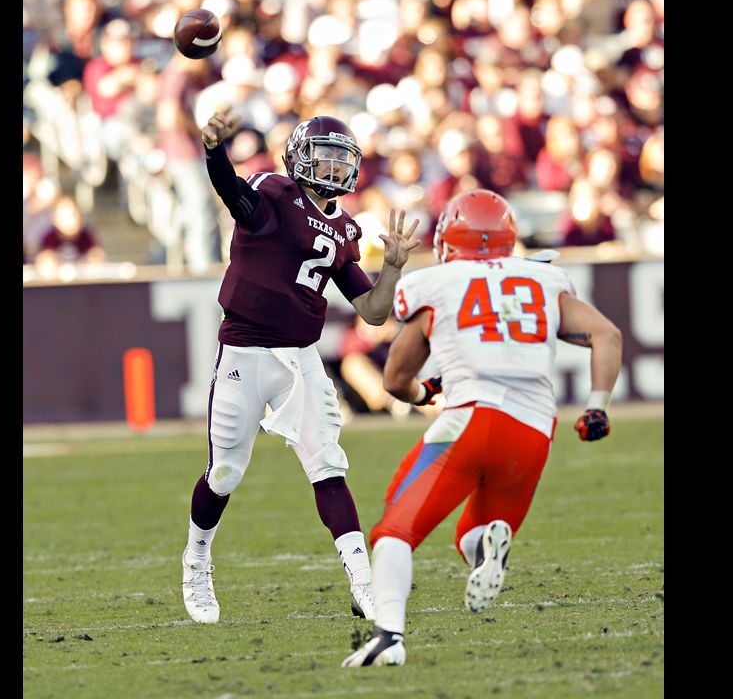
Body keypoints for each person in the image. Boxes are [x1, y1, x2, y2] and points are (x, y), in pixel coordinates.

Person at [341, 189, 622, 667]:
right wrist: (597, 406)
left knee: (394, 529)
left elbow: (394, 379)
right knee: (472, 532)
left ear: (451, 239)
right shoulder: (543, 277)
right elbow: (607, 335)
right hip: (534, 430)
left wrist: (426, 393)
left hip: (470, 419)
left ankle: (389, 636)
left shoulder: (438, 282)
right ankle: (487, 550)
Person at [180, 107, 422, 625]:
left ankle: (364, 584)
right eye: (324, 156)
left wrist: (393, 267)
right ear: (297, 157)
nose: (333, 168)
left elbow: (374, 312)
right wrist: (214, 150)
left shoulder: (344, 228)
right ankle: (197, 558)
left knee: (328, 467)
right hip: (245, 351)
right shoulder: (274, 194)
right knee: (224, 472)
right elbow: (232, 192)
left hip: (301, 358)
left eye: (341, 159)